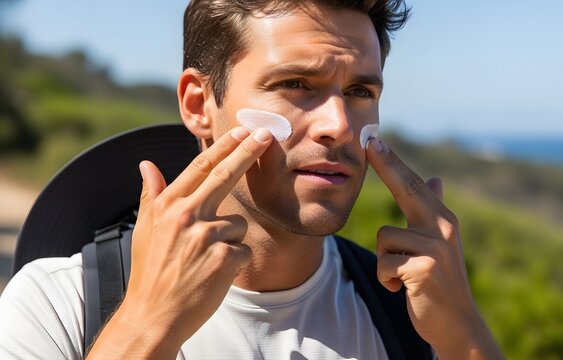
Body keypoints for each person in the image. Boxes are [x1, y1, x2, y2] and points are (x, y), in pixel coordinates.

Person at [0, 0, 504, 359]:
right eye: (295, 85)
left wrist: (465, 337)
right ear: (200, 105)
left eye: (358, 90)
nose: (339, 125)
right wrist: (146, 326)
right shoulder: (58, 306)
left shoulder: (410, 319)